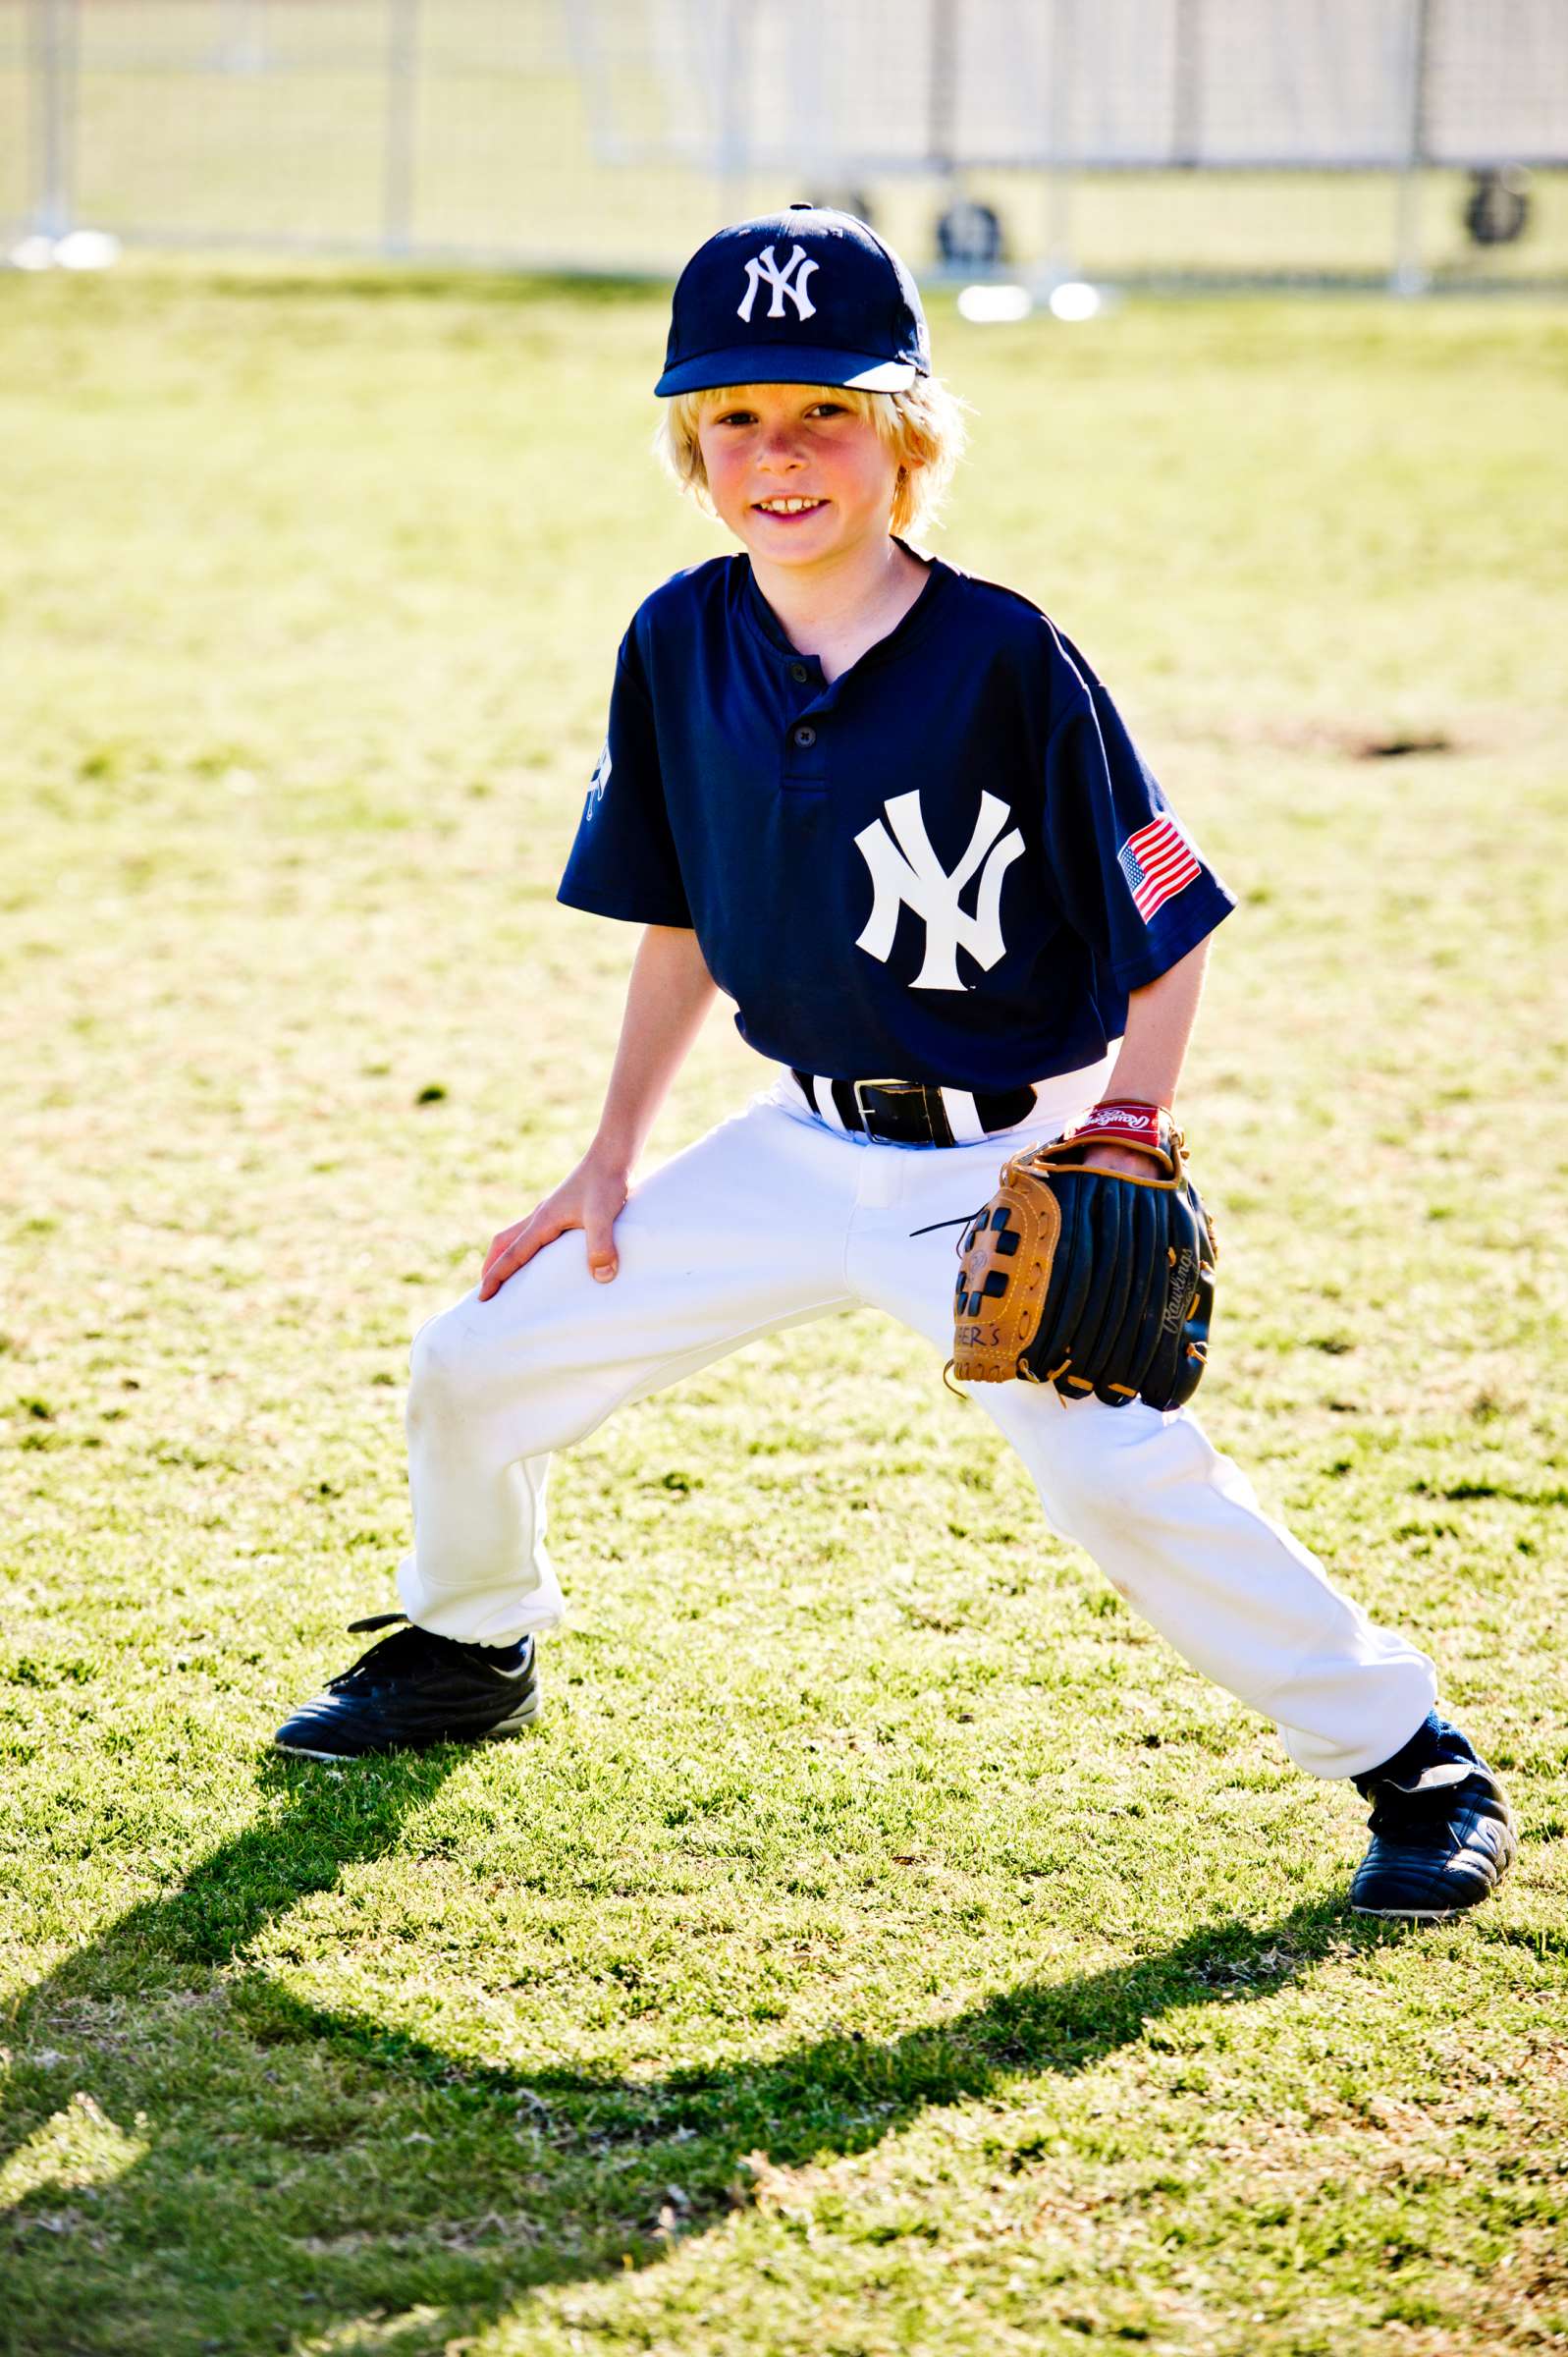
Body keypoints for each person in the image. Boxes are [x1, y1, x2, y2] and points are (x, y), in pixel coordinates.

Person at [275, 206, 1515, 1922]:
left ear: (904, 436)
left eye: (824, 413)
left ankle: (1412, 1757)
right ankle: (468, 1649)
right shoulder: (677, 639)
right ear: (689, 450)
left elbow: (1172, 917)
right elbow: (682, 919)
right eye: (734, 421)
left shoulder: (1005, 656)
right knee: (476, 1357)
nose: (778, 456)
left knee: (1114, 1474)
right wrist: (606, 1159)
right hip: (793, 1148)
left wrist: (1132, 1129)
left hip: (1008, 1159)